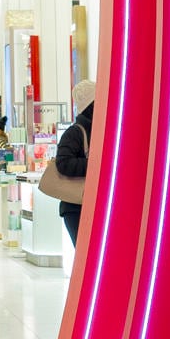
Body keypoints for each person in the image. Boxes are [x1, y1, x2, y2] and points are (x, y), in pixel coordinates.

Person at [54, 79, 98, 244]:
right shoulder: (75, 133)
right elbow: (63, 163)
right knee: (85, 251)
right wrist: (95, 165)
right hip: (76, 207)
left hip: (94, 204)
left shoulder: (102, 130)